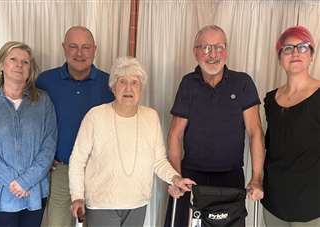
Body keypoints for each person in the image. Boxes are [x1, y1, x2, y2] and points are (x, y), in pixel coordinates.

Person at [69, 56, 196, 227]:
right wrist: (77, 196)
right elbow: (78, 160)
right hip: (102, 204)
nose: (128, 88)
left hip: (137, 203)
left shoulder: (150, 117)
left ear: (141, 87)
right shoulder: (95, 116)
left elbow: (158, 161)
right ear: (113, 87)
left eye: (135, 82)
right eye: (122, 81)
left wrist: (175, 178)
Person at [164, 25, 265, 227]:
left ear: (226, 50)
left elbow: (255, 132)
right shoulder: (188, 84)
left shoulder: (242, 83)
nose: (212, 54)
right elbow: (175, 135)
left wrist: (256, 178)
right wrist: (175, 177)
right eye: (206, 48)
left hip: (230, 178)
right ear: (195, 52)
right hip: (191, 179)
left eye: (218, 47)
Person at [36, 26, 114, 227]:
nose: (79, 53)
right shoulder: (45, 81)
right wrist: (44, 157)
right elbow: (33, 123)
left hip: (97, 171)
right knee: (57, 224)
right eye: (73, 46)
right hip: (61, 170)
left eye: (86, 47)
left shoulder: (111, 84)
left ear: (94, 49)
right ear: (63, 48)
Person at [0, 41, 57, 227]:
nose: (19, 65)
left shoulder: (43, 101)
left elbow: (49, 145)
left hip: (34, 191)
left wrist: (25, 181)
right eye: (13, 59)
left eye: (25, 62)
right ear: (2, 65)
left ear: (30, 69)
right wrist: (12, 181)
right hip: (2, 192)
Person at [261, 26, 320, 226]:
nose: (295, 52)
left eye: (302, 47)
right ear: (280, 59)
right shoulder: (270, 99)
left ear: (312, 55)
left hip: (312, 204)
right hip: (274, 201)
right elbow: (271, 147)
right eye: (287, 48)